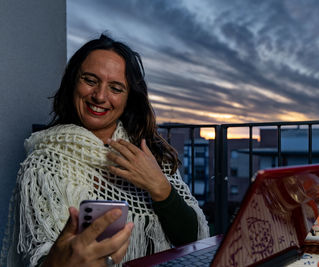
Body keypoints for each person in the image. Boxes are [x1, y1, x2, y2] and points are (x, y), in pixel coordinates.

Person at [1, 34, 209, 267]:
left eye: (116, 88)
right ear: (73, 83)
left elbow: (193, 240)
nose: (100, 96)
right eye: (90, 80)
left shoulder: (147, 154)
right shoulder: (43, 163)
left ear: (129, 98)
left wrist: (159, 186)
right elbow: (42, 259)